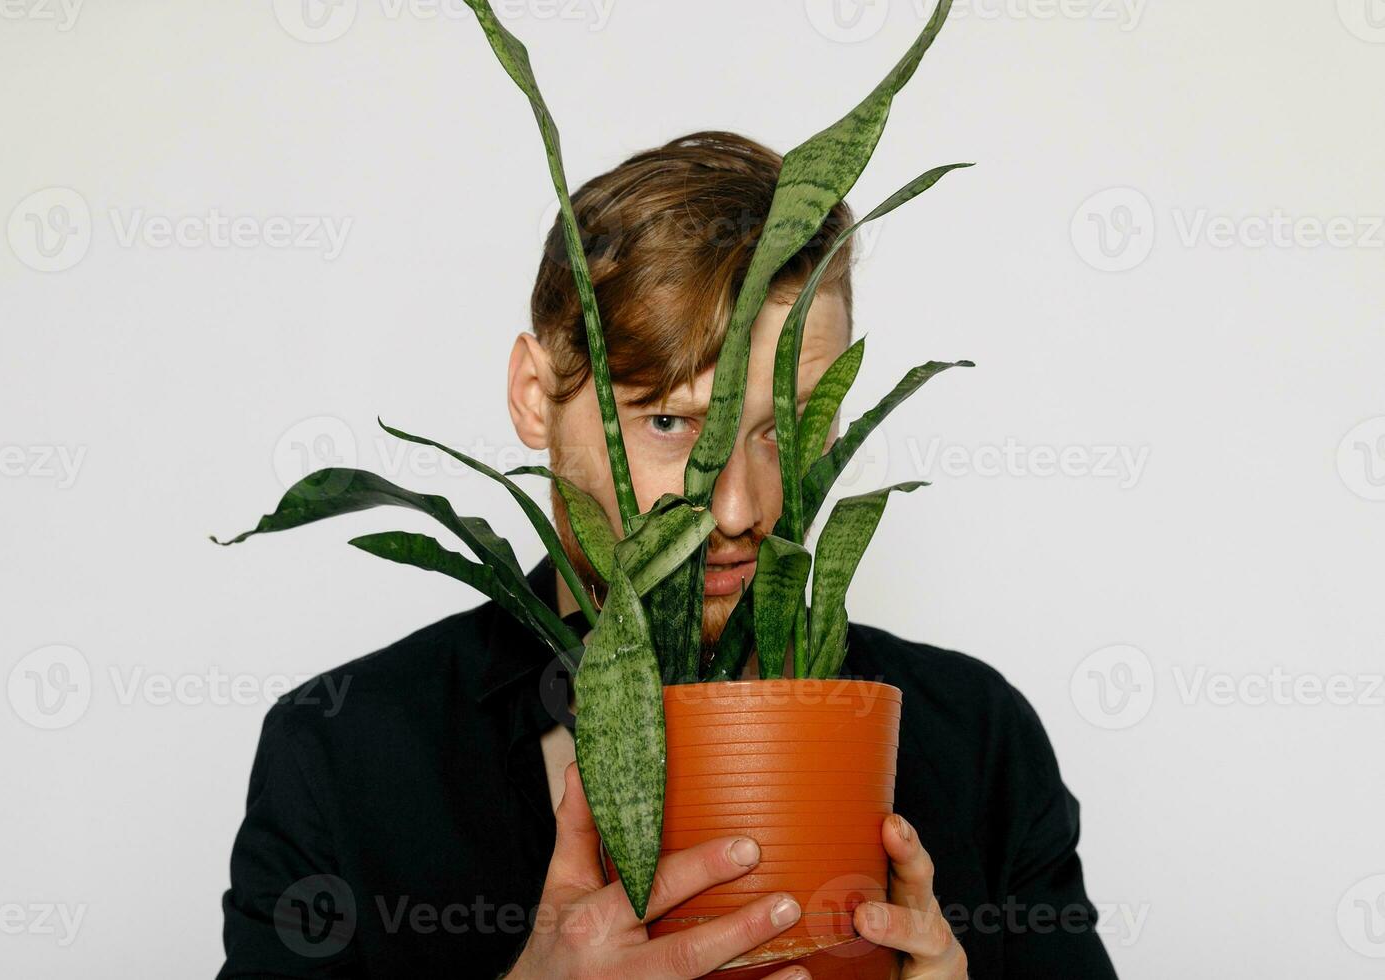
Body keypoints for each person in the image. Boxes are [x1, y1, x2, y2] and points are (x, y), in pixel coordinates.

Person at [217, 131, 1117, 978]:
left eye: (790, 429)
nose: (737, 509)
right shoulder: (343, 751)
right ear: (536, 395)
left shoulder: (978, 739)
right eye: (668, 422)